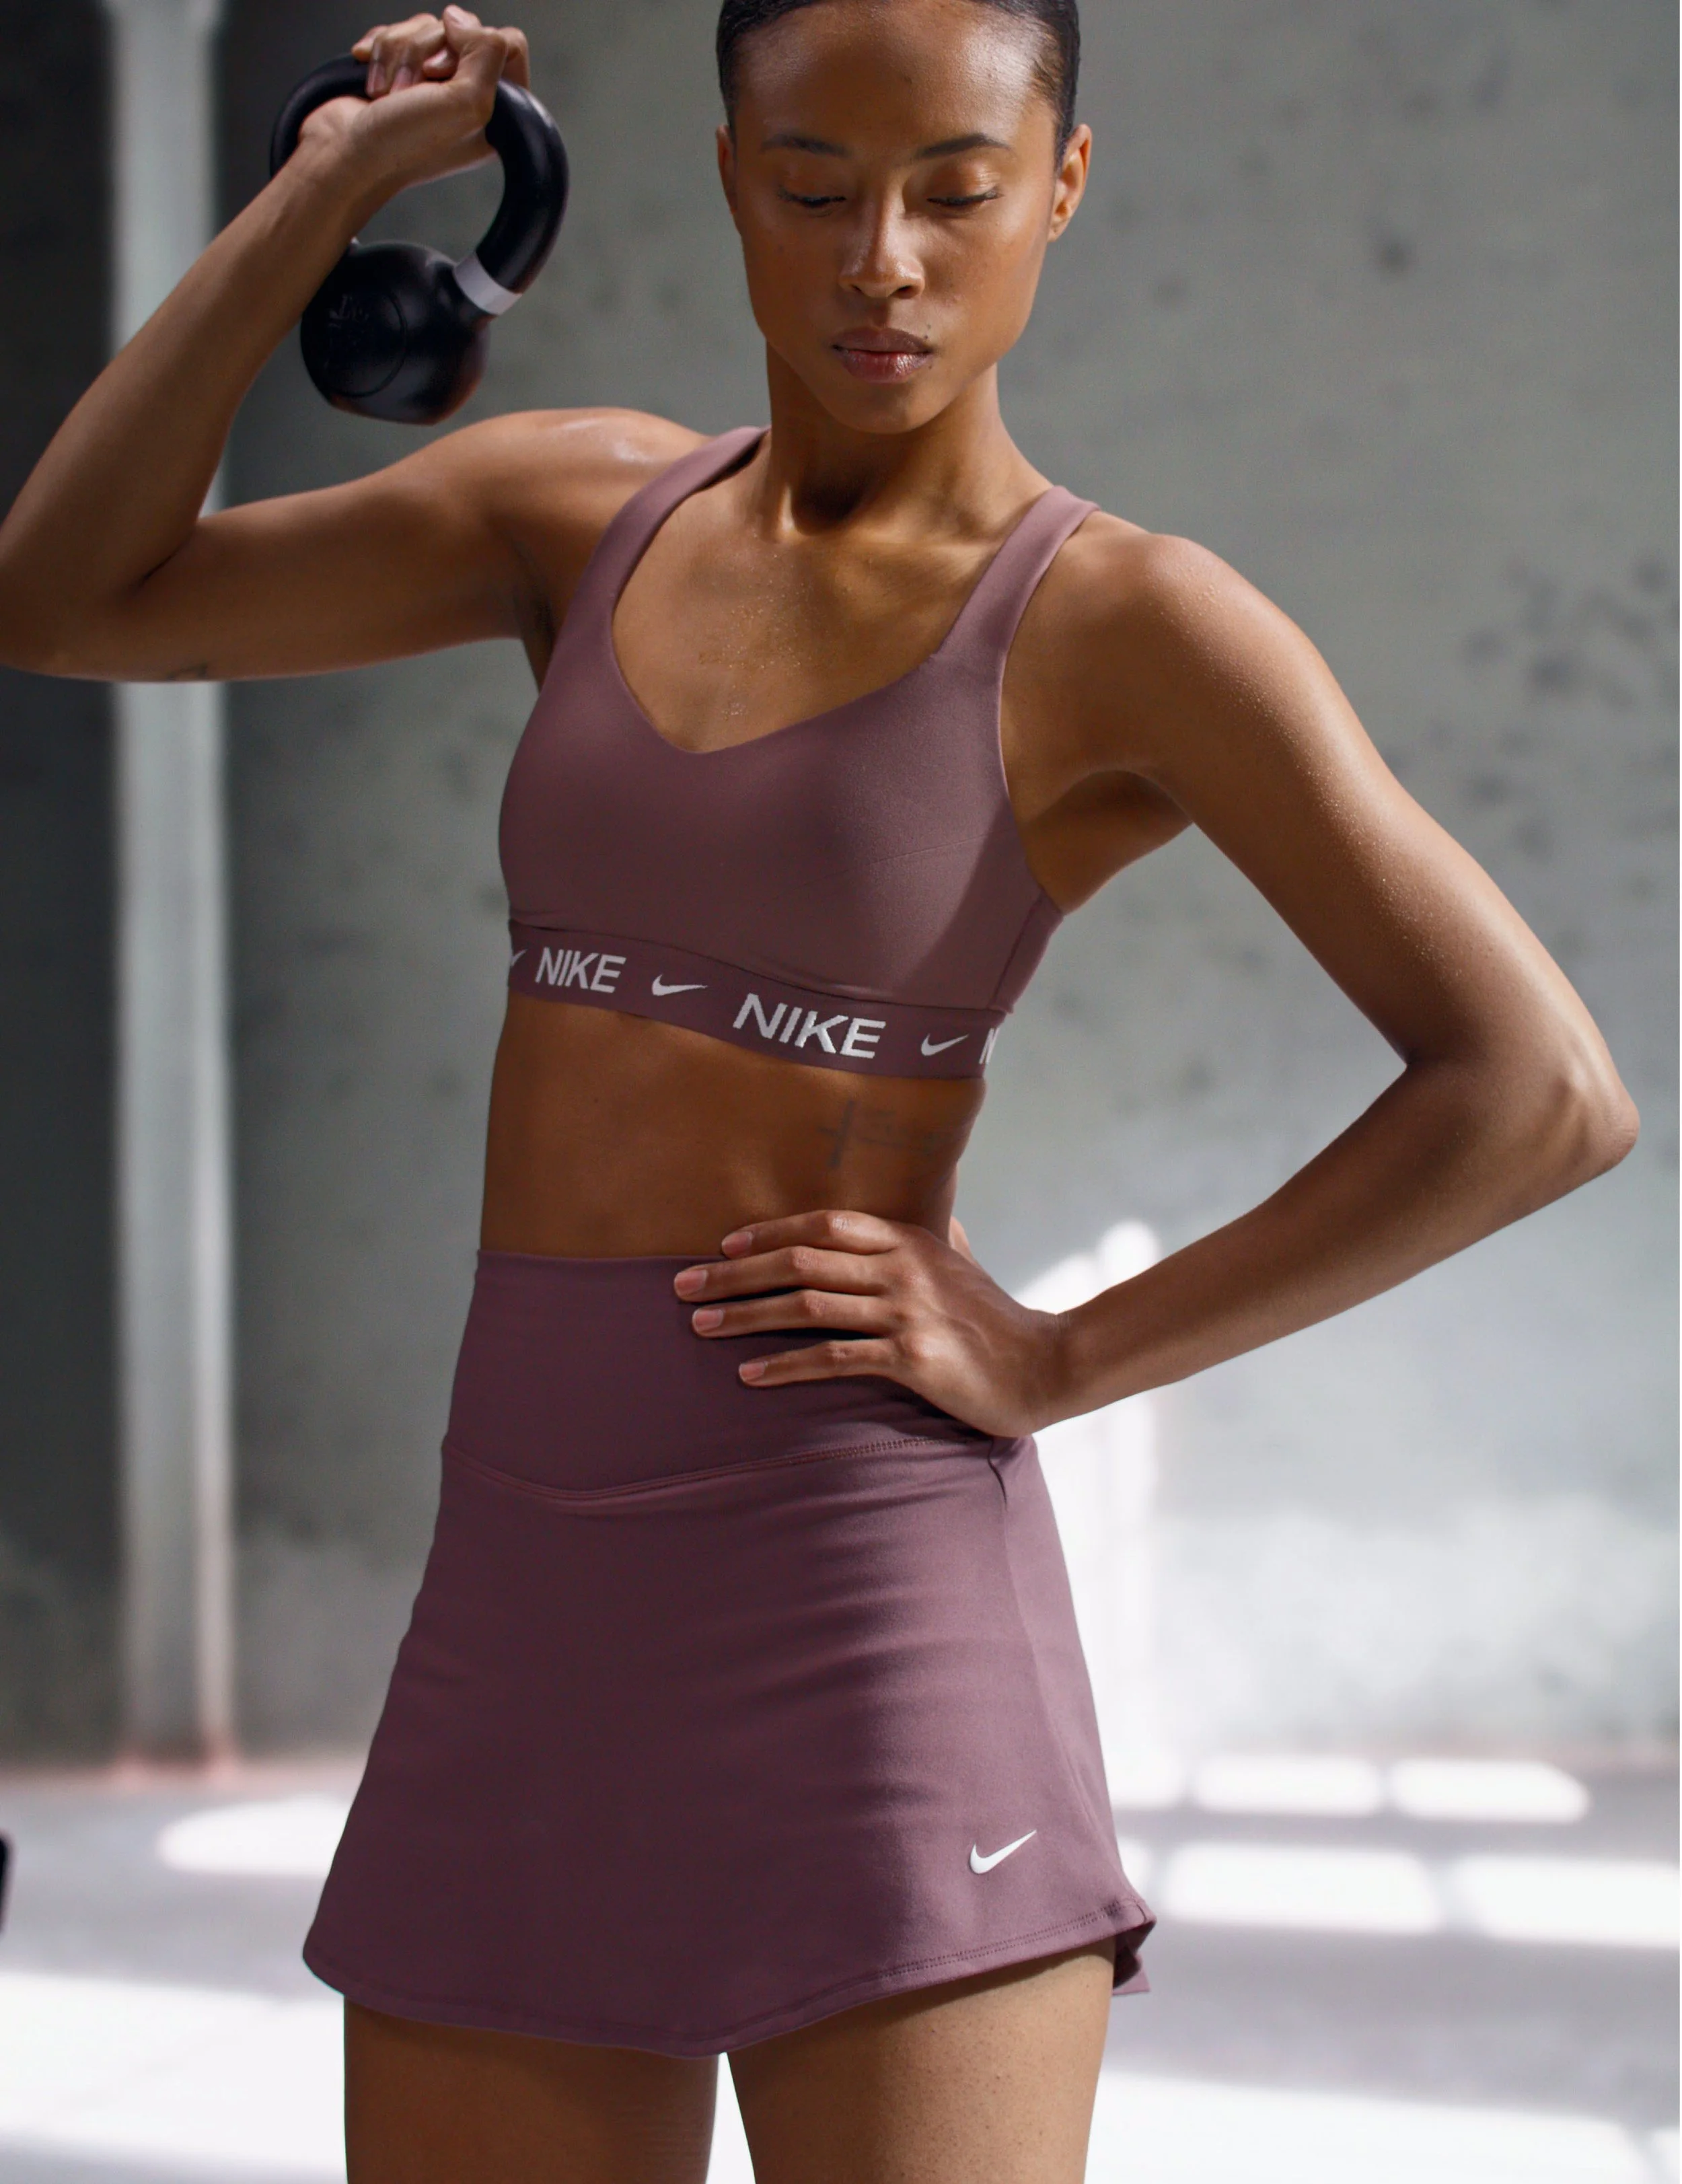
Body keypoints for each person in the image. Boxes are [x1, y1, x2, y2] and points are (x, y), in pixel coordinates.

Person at [0, 1, 1638, 2177]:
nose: (882, 256)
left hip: (857, 1593)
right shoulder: (571, 509)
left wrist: (1054, 1354)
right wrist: (322, 195)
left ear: (1057, 187)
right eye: (812, 188)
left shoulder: (1127, 621)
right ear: (723, 178)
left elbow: (1534, 1087)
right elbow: (63, 590)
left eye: (955, 191)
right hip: (521, 1582)